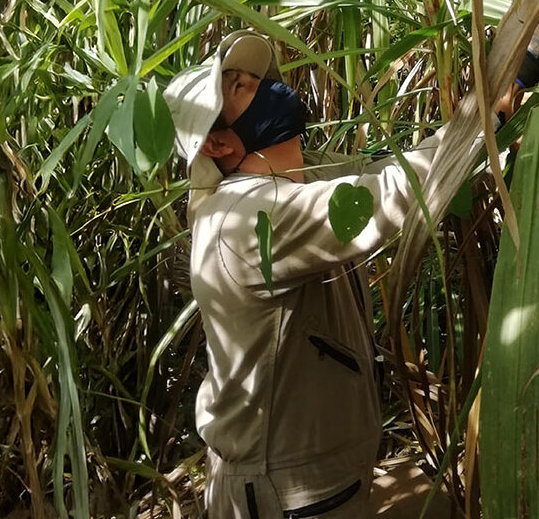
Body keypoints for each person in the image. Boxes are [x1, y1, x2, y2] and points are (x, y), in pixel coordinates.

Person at [163, 30, 445, 518]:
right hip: (288, 486)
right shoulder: (249, 218)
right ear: (217, 143)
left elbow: (379, 170)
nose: (258, 84)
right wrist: (485, 116)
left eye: (255, 78)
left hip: (305, 472)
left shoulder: (292, 183)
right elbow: (394, 194)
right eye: (237, 88)